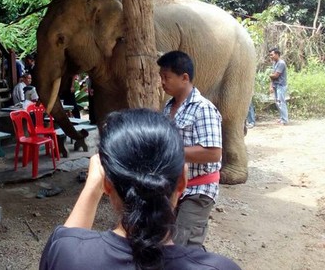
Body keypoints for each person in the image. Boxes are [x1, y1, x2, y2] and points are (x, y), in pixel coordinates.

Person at [40, 108, 241, 270]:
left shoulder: (66, 254)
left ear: (107, 184)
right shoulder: (220, 267)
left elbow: (68, 237)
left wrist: (92, 187)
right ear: (182, 179)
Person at [157, 50, 222, 248]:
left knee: (182, 244)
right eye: (161, 77)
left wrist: (170, 150)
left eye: (166, 77)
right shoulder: (168, 108)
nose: (162, 82)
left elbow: (213, 153)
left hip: (198, 189)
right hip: (174, 187)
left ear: (184, 78)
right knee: (169, 240)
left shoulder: (203, 108)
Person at [269, 47, 289, 125]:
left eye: (272, 55)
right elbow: (272, 76)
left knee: (281, 102)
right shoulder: (275, 63)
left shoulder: (281, 63)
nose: (271, 57)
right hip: (276, 85)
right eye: (270, 55)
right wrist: (271, 86)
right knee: (278, 103)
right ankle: (282, 118)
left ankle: (285, 120)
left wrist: (271, 75)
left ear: (277, 54)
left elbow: (276, 75)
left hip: (281, 86)